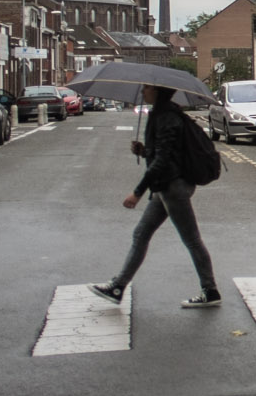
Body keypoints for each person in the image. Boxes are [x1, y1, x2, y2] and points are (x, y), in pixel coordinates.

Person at [89, 84, 221, 308]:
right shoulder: (163, 114)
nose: (143, 92)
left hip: (172, 187)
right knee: (141, 234)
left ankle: (210, 291)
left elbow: (163, 160)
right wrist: (143, 150)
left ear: (158, 92)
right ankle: (119, 286)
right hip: (166, 187)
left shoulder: (167, 117)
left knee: (191, 240)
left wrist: (138, 191)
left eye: (147, 89)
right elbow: (165, 154)